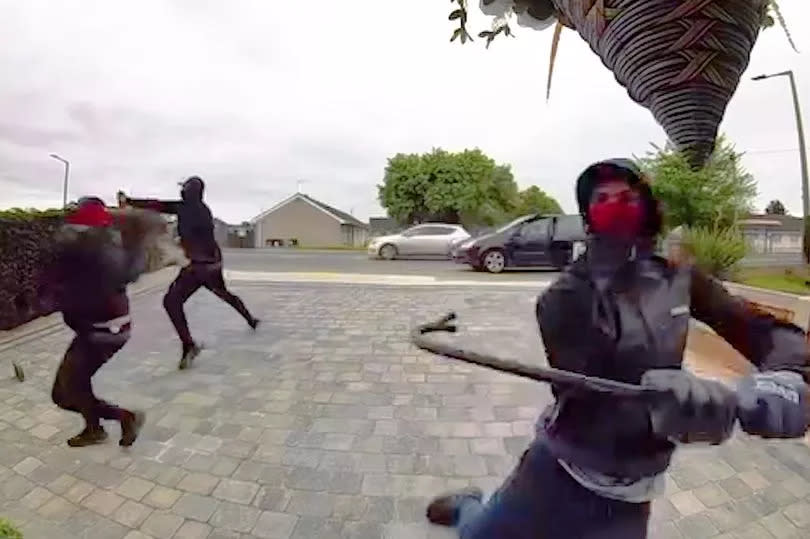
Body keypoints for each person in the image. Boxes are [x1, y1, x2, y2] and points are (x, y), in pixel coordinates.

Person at [425, 159, 809, 538]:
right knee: (480, 535)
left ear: (647, 207)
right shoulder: (564, 297)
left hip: (631, 493)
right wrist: (693, 405)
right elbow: (593, 397)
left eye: (627, 196)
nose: (615, 204)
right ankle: (467, 506)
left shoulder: (679, 277)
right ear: (588, 215)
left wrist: (790, 374)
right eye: (602, 197)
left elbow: (756, 325)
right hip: (559, 468)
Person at [118, 176, 259, 369]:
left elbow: (158, 206)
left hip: (198, 266)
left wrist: (130, 202)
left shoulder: (188, 209)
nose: (181, 190)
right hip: (211, 264)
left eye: (184, 188)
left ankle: (189, 345)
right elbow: (160, 206)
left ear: (189, 190)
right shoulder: (200, 209)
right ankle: (251, 319)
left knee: (171, 302)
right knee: (224, 293)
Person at [47, 197, 146, 447]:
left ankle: (125, 417)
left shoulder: (87, 247)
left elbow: (72, 286)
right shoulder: (110, 243)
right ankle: (95, 428)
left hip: (99, 332)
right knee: (77, 383)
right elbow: (130, 273)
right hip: (112, 328)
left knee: (64, 394)